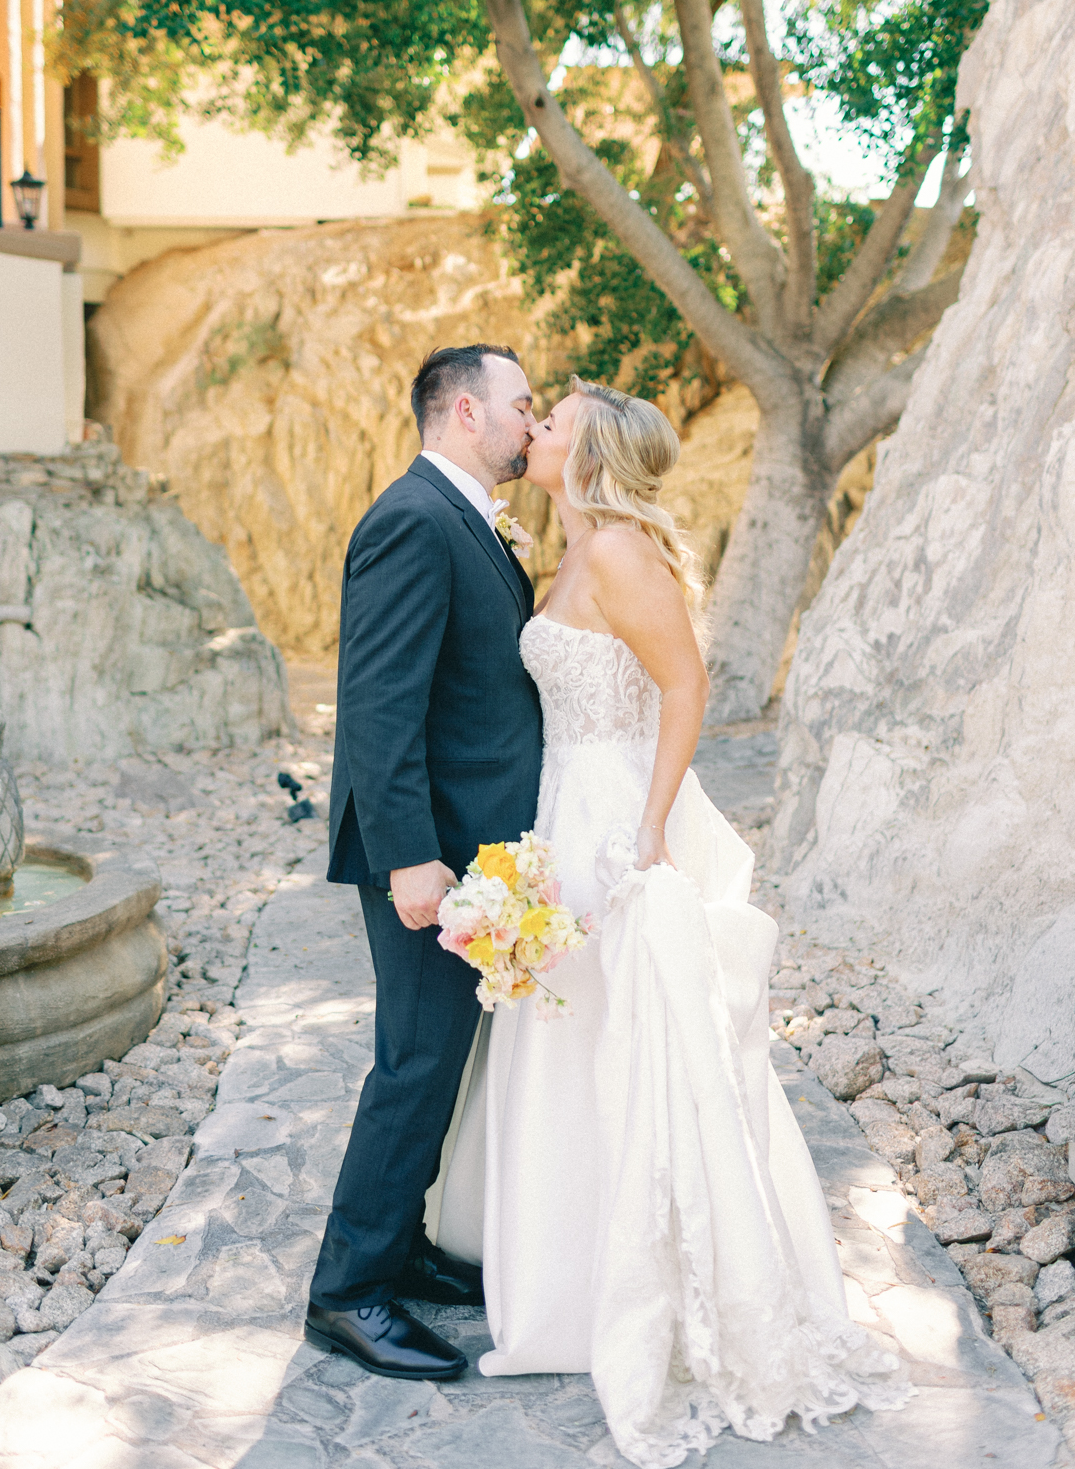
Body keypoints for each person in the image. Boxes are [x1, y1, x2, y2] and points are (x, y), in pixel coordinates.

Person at [430, 377, 910, 1465]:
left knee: (626, 1040)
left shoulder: (615, 555)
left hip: (616, 818)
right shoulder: (571, 548)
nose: (533, 431)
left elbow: (683, 687)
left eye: (550, 424)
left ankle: (631, 1292)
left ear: (588, 451)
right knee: (566, 1036)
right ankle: (564, 1285)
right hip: (563, 809)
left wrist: (646, 829)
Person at [304, 343, 542, 1382]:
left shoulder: (462, 518)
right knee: (414, 1064)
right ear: (461, 413)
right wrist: (410, 860)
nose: (531, 424)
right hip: (429, 851)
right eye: (520, 406)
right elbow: (380, 706)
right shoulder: (412, 520)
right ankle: (347, 1292)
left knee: (438, 1062)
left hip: (470, 846)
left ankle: (396, 1249)